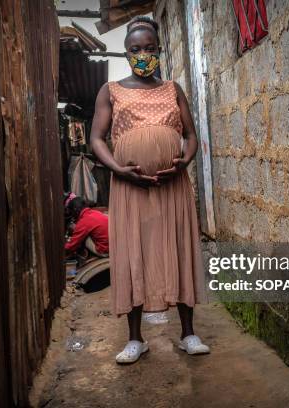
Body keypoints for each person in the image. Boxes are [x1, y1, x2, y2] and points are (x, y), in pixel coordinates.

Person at [90, 15, 209, 364]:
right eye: (135, 49)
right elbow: (97, 138)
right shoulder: (110, 91)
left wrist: (183, 163)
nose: (143, 54)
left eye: (149, 48)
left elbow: (190, 135)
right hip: (130, 187)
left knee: (179, 247)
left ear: (160, 50)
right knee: (133, 253)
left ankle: (188, 333)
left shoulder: (173, 89)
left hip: (173, 186)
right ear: (126, 53)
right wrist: (118, 170)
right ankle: (134, 339)